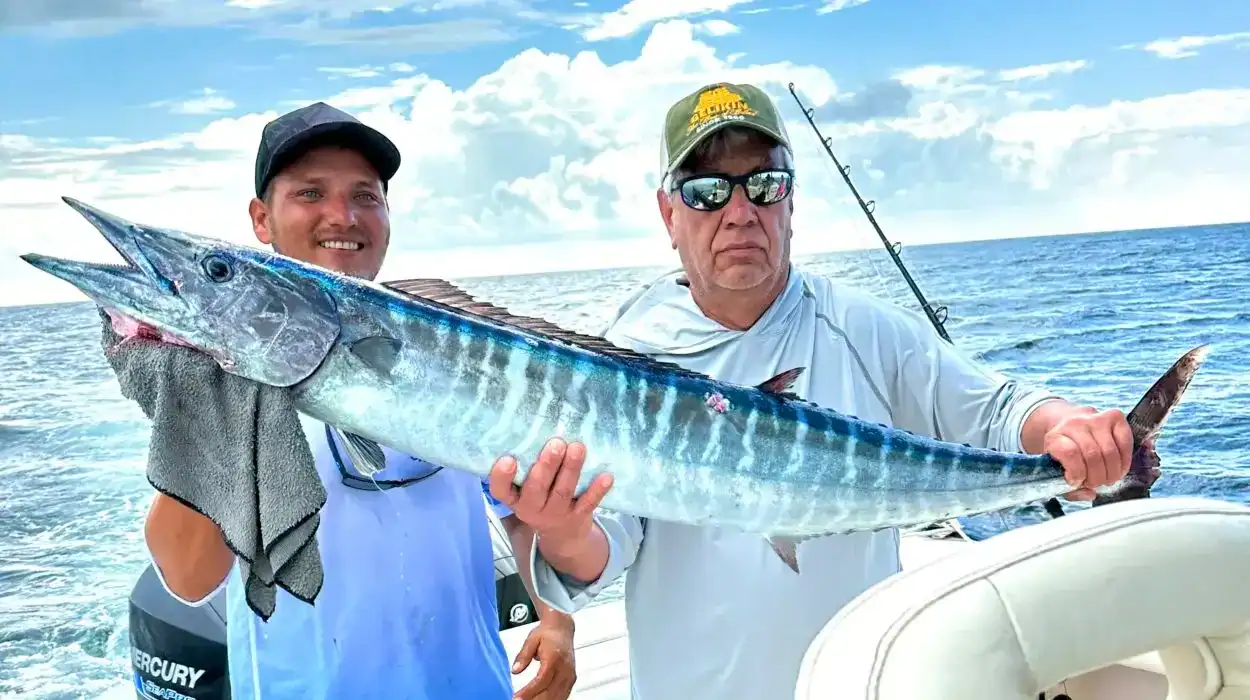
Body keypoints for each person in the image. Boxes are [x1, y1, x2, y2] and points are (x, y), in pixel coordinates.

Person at [487, 82, 1136, 700]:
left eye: (765, 185)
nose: (741, 213)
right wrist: (561, 529)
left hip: (859, 685)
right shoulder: (624, 358)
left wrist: (1066, 430)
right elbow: (602, 545)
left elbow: (996, 411)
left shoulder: (862, 327)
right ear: (668, 212)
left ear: (791, 203)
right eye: (708, 191)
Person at [142, 101, 576, 700]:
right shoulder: (221, 379)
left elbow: (523, 506)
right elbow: (189, 579)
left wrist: (556, 620)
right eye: (311, 193)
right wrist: (220, 412)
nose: (341, 216)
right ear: (261, 218)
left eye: (365, 196)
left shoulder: (454, 352)